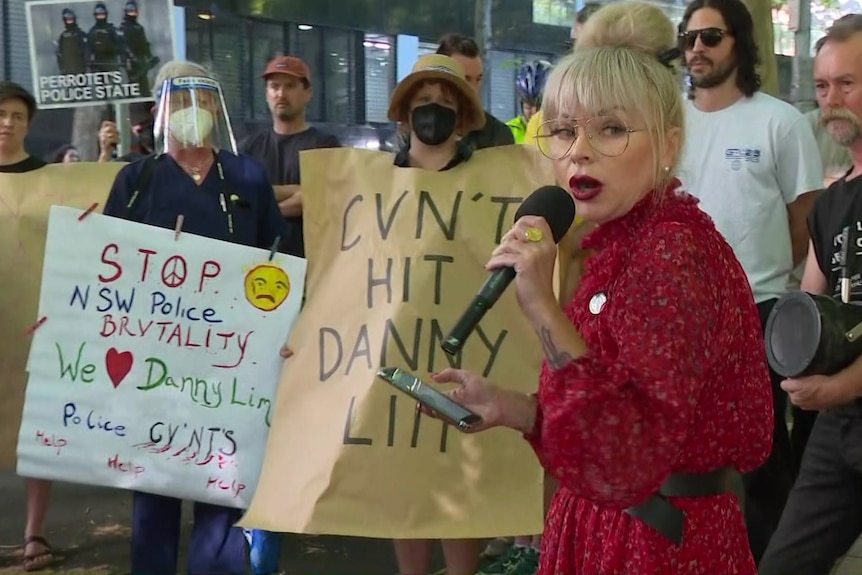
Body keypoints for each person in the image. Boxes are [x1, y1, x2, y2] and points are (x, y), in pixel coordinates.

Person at [422, 2, 773, 573]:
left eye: (611, 128)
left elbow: (630, 447)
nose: (578, 150)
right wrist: (512, 407)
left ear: (668, 145)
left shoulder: (670, 252)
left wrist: (540, 304)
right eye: (563, 131)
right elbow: (608, 403)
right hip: (607, 525)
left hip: (656, 543)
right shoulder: (622, 241)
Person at [103, 60, 285, 575]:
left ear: (216, 107)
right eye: (180, 99)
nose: (192, 110)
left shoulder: (246, 175)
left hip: (230, 366)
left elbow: (279, 259)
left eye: (203, 99)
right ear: (162, 109)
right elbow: (104, 270)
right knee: (155, 488)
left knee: (222, 490)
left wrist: (280, 329)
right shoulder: (137, 180)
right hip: (154, 364)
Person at [676, 0, 823, 561]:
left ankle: (776, 560)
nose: (697, 49)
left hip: (756, 310)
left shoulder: (779, 121)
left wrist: (753, 280)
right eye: (688, 38)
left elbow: (804, 220)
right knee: (685, 456)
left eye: (710, 36)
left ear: (739, 41)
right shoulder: (667, 123)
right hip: (678, 314)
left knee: (762, 460)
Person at [758, 15, 862, 574]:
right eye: (822, 87)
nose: (831, 101)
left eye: (847, 83)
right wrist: (791, 376)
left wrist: (841, 384)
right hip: (839, 426)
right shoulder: (829, 203)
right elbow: (805, 315)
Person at [385, 53, 487, 575]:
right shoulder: (376, 183)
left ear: (463, 117)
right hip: (396, 347)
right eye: (423, 103)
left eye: (444, 104)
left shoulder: (491, 182)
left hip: (463, 353)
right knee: (406, 479)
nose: (432, 112)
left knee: (457, 477)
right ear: (404, 113)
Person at [0, 81, 55, 572]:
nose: (7, 123)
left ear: (28, 123)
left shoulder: (54, 180)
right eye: (0, 114)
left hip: (36, 322)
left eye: (17, 115)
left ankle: (34, 531)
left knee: (37, 428)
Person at [239, 55, 341, 259]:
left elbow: (315, 199)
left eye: (290, 86)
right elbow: (241, 200)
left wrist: (264, 203)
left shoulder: (325, 145)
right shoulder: (248, 147)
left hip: (310, 264)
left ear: (308, 92)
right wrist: (297, 190)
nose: (281, 93)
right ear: (266, 93)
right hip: (258, 261)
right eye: (274, 86)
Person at [522, 2, 602, 146]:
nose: (581, 56)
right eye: (576, 45)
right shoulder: (543, 124)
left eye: (595, 48)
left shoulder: (640, 116)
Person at [506, 61, 552, 144]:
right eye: (528, 106)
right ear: (521, 104)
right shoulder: (507, 132)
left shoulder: (561, 134)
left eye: (540, 106)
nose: (534, 112)